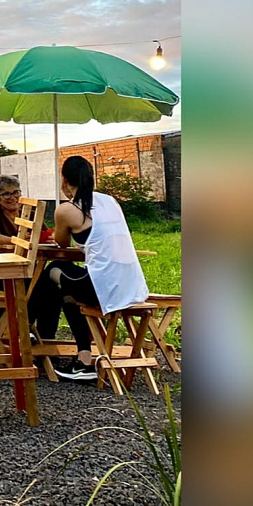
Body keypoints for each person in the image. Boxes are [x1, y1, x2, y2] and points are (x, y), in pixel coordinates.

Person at [48, 156, 149, 380]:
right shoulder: (110, 201)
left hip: (102, 288)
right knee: (69, 284)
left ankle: (77, 355)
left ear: (64, 180)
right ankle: (82, 358)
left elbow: (62, 242)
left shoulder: (67, 210)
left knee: (54, 270)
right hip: (131, 284)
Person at [0, 175, 62, 345]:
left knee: (52, 291)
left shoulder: (29, 213)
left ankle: (46, 341)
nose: (12, 198)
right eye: (6, 194)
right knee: (34, 289)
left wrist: (49, 239)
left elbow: (44, 235)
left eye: (16, 192)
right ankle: (19, 331)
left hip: (25, 272)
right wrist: (19, 240)